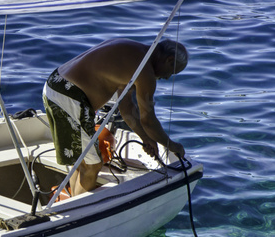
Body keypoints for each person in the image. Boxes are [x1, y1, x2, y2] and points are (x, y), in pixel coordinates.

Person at [42, 38, 188, 196]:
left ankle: (74, 201)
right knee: (93, 165)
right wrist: (173, 146)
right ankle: (79, 212)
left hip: (54, 85)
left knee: (82, 160)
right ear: (169, 60)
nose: (167, 78)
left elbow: (126, 109)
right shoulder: (145, 73)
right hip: (71, 96)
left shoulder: (133, 52)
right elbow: (149, 120)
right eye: (171, 72)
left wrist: (145, 138)